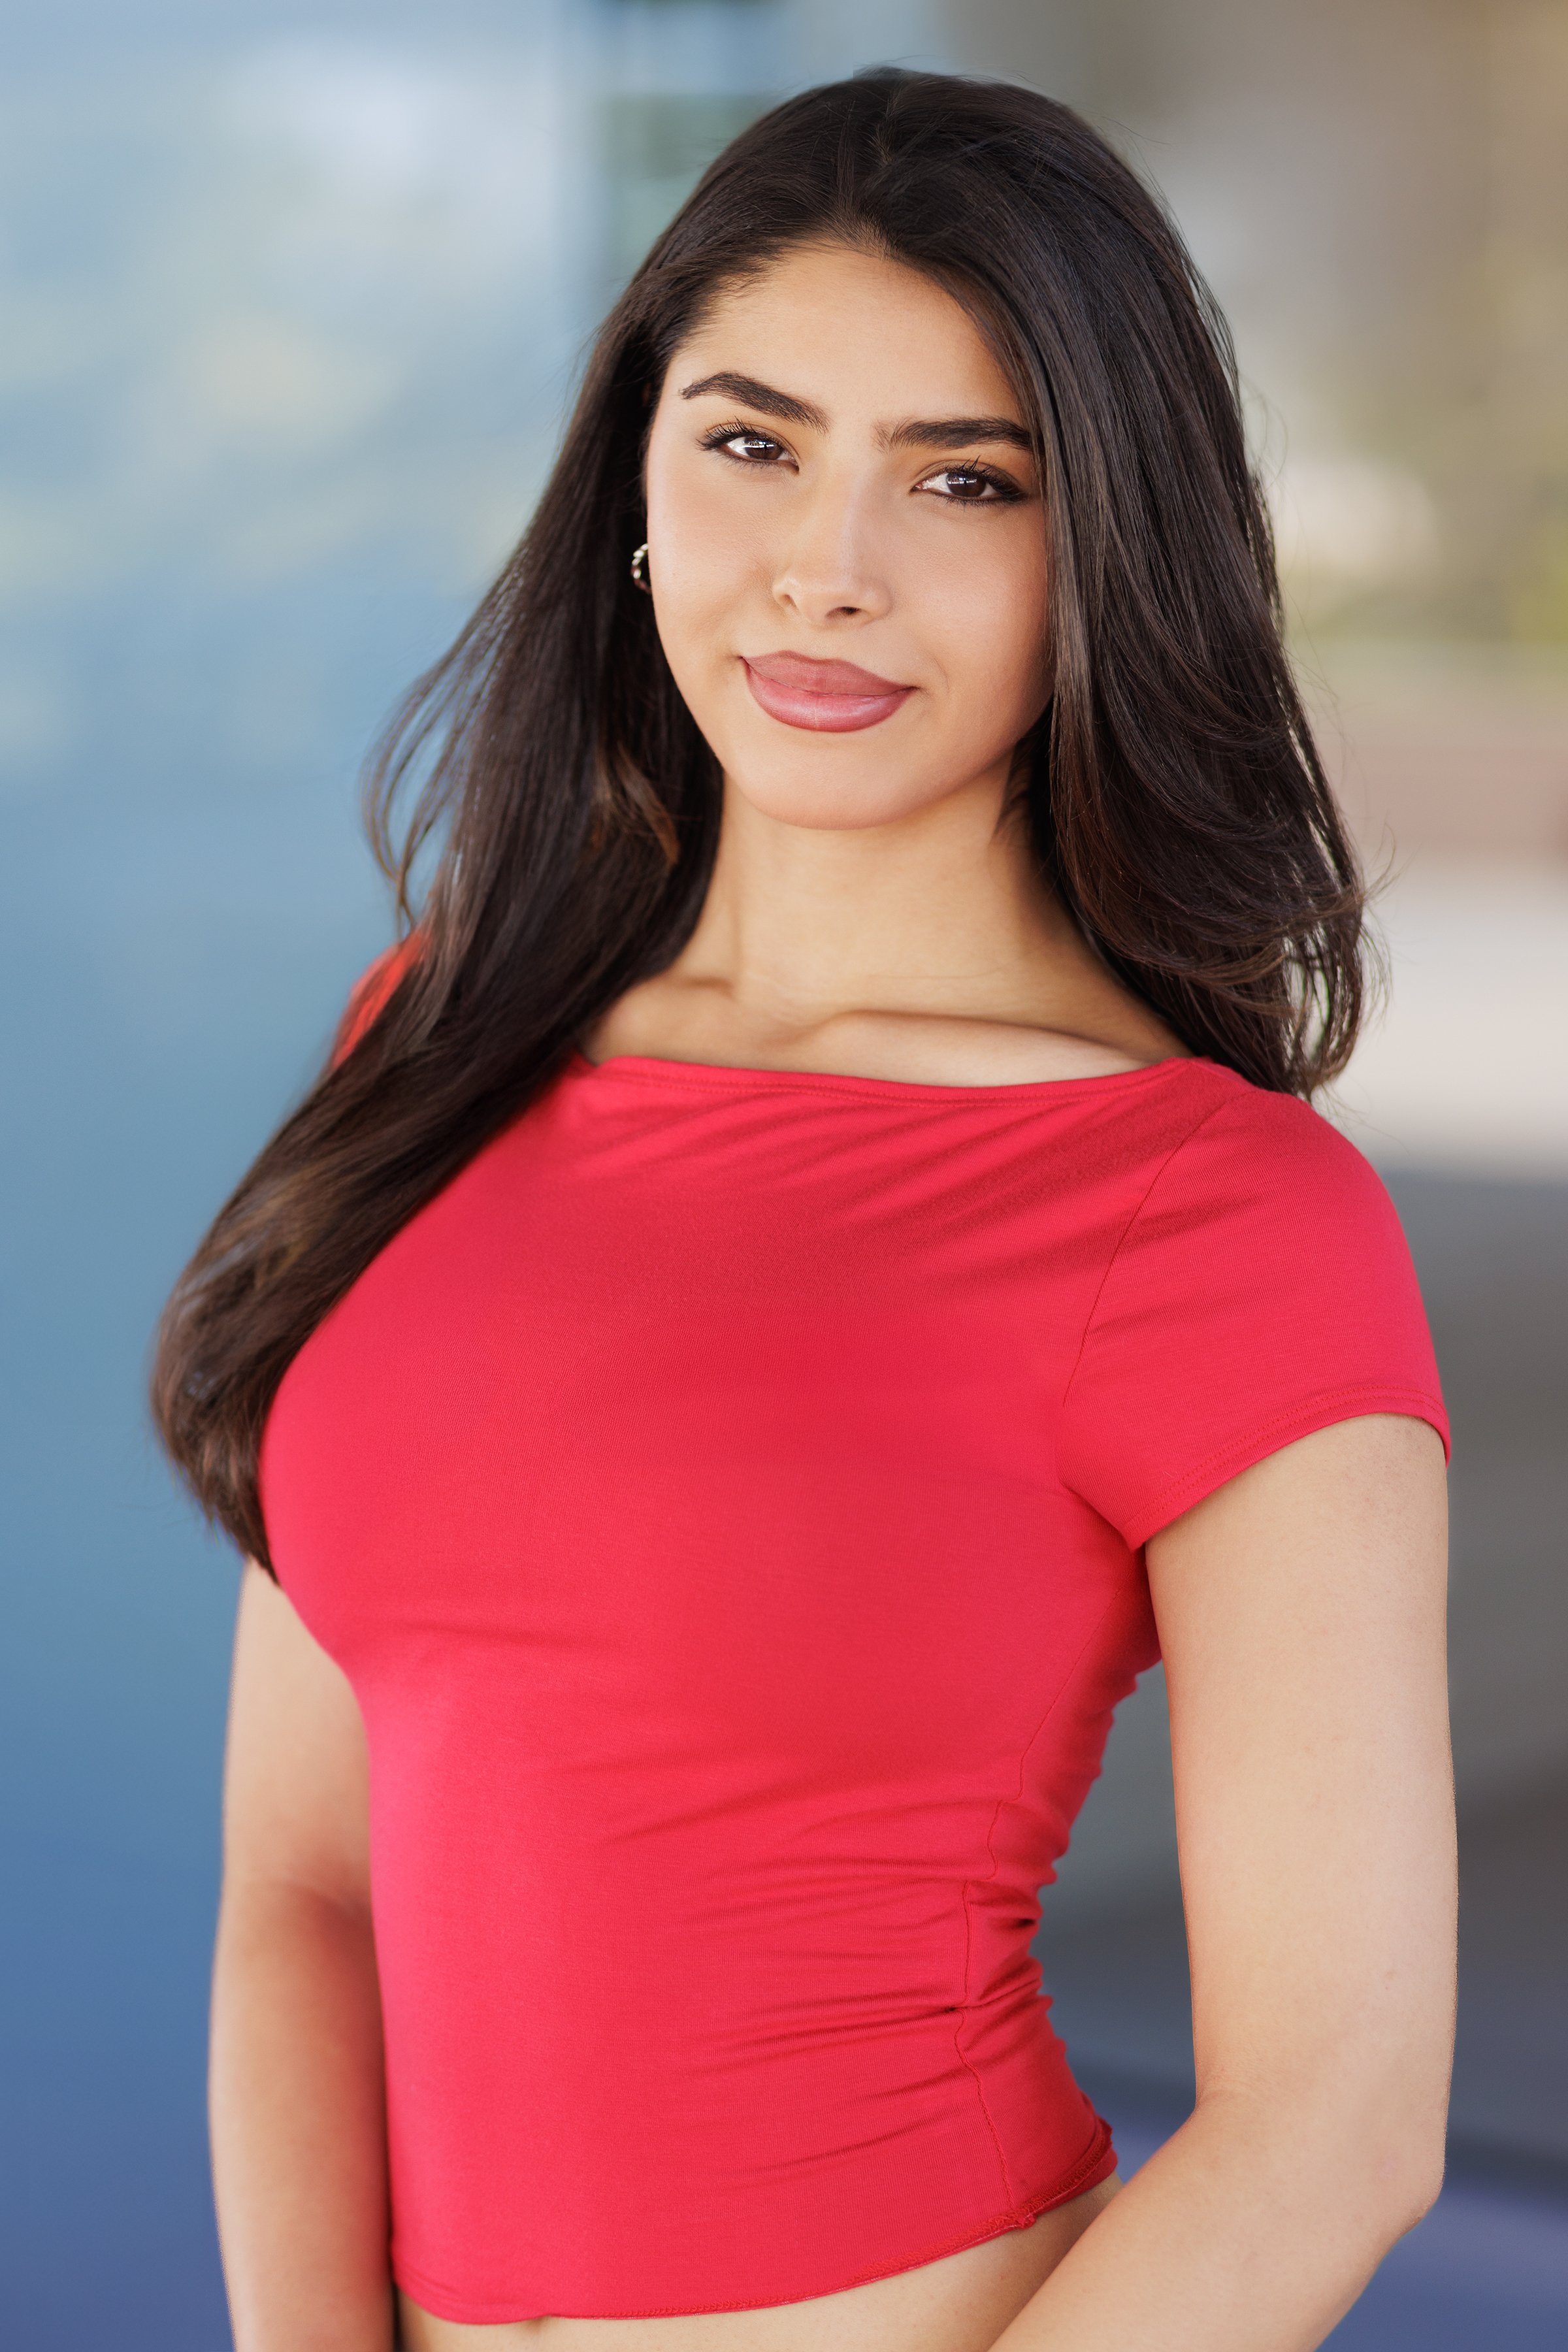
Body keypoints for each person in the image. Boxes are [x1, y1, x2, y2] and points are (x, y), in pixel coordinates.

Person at [154, 68, 1454, 2352]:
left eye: (964, 480)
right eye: (753, 441)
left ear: (1106, 549)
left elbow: (1333, 2120)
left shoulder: (1215, 1214)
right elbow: (303, 1887)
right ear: (636, 486)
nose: (827, 563)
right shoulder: (433, 1049)